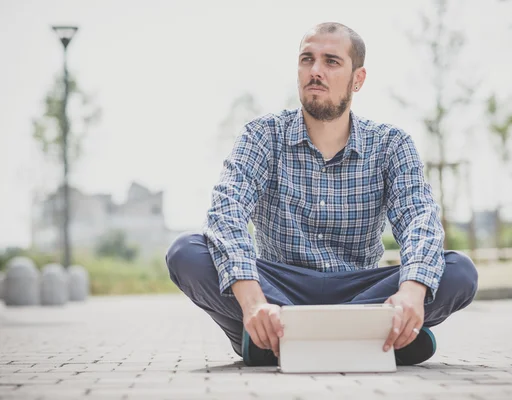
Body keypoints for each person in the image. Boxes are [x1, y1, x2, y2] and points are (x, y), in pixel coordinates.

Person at [166, 22, 478, 367]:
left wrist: (411, 293)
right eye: (306, 59)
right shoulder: (262, 135)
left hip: (359, 287)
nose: (315, 71)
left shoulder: (391, 144)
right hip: (278, 285)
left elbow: (420, 218)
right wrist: (254, 301)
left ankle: (286, 340)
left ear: (357, 79)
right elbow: (227, 211)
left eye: (331, 61)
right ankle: (361, 336)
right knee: (186, 253)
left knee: (458, 271)